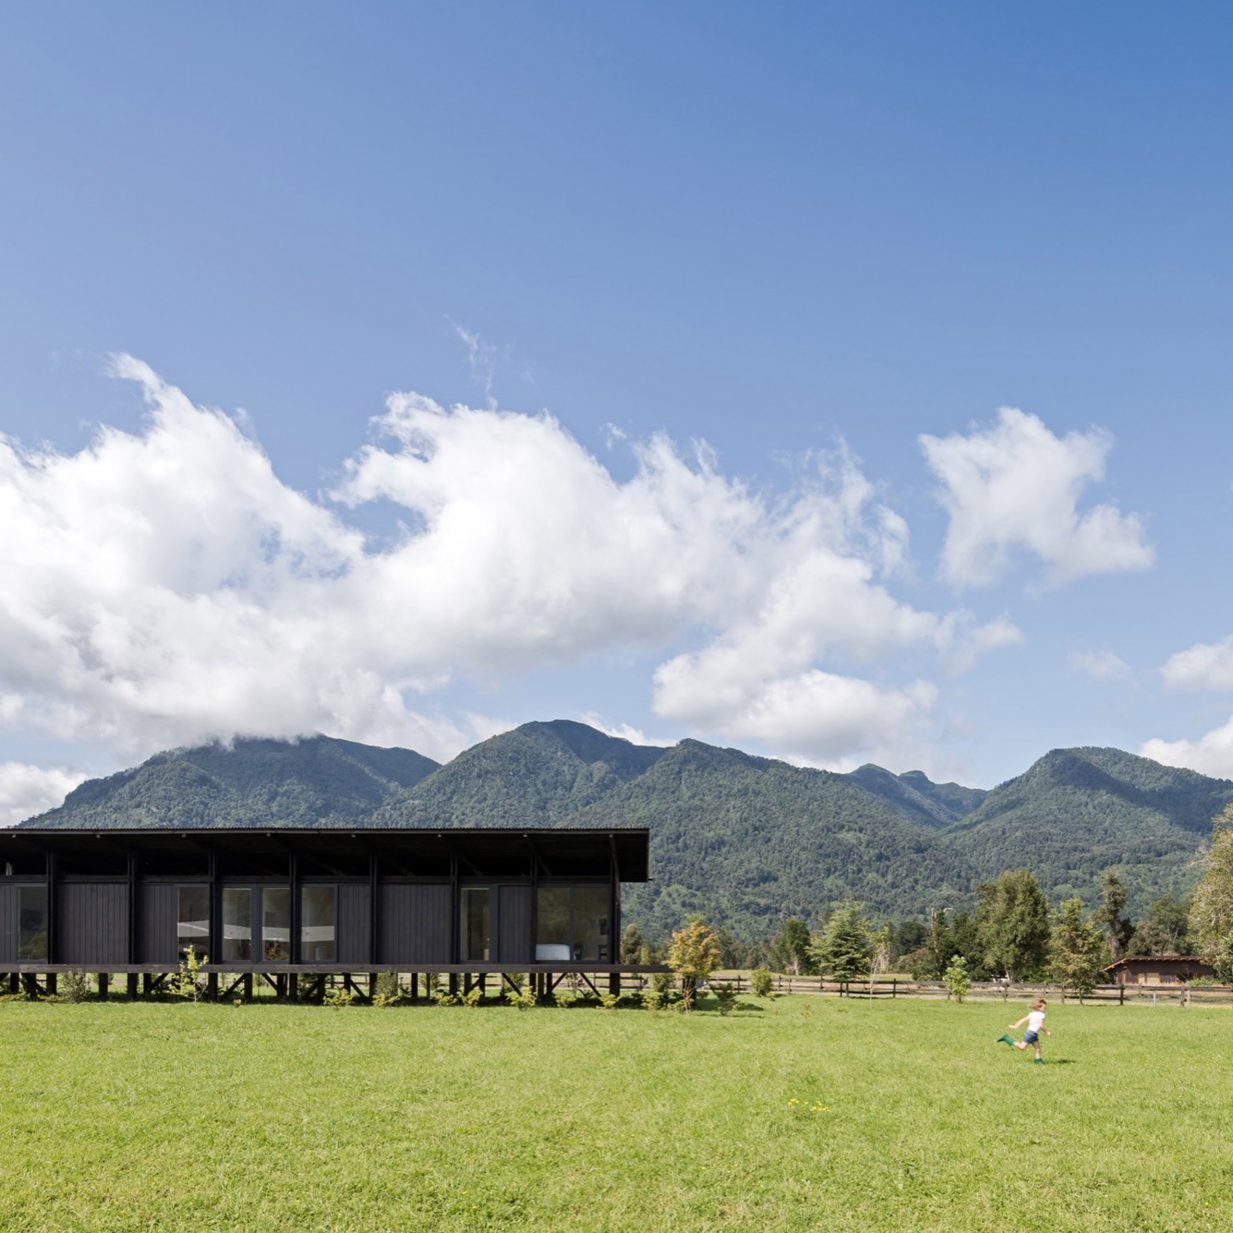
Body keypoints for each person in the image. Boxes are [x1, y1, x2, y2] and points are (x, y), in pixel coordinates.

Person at [997, 998, 1050, 1064]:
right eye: (1044, 1007)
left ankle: (1038, 1060)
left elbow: (1022, 1020)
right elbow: (1041, 1026)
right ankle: (1007, 1038)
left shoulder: (1032, 1014)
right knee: (1022, 1047)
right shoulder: (1042, 1015)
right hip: (1031, 1034)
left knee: (1037, 1048)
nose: (1045, 1009)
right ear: (1039, 1007)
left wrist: (1016, 1026)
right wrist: (1046, 1032)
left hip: (1031, 1033)